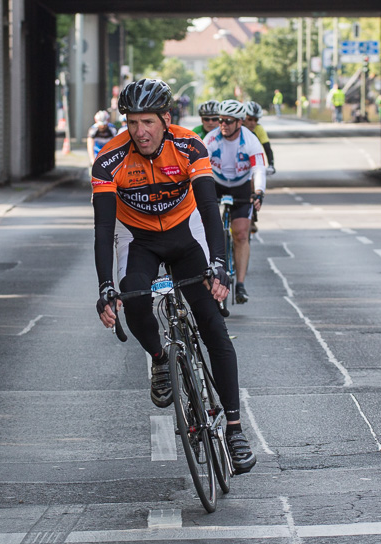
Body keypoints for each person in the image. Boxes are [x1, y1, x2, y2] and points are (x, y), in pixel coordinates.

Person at [91, 79, 256, 474]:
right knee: (133, 295)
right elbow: (103, 229)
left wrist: (219, 264)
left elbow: (209, 206)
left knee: (213, 325)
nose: (140, 131)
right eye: (132, 122)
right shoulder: (109, 161)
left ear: (166, 118)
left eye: (148, 121)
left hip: (185, 232)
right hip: (138, 237)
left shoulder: (189, 146)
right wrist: (105, 287)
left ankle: (235, 430)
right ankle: (160, 358)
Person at [203, 99, 268, 305]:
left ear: (240, 122)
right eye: (221, 120)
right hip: (217, 182)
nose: (223, 124)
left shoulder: (250, 140)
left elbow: (259, 169)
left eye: (229, 121)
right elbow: (198, 165)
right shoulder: (211, 139)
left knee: (240, 234)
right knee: (205, 228)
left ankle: (240, 284)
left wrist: (258, 192)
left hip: (241, 185)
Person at [242, 101, 275, 172]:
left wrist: (271, 165)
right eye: (250, 119)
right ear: (243, 118)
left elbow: (267, 148)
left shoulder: (259, 128)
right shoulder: (237, 128)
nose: (253, 123)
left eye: (256, 120)